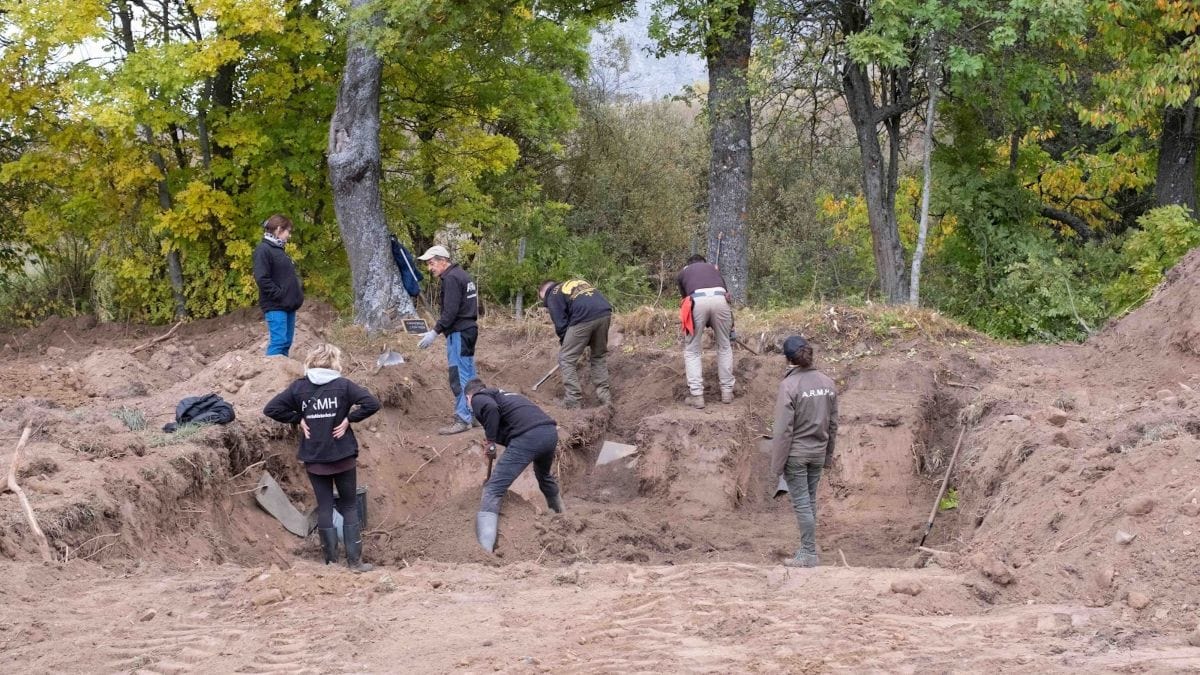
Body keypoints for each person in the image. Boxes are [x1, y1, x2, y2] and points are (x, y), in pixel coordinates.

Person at [263, 343, 381, 572]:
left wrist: (298, 419)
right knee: (348, 506)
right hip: (342, 454)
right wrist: (350, 419)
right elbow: (372, 403)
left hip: (315, 457)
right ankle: (355, 563)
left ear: (311, 361)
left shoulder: (299, 388)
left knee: (325, 506)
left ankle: (331, 563)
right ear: (334, 362)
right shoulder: (343, 386)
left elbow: (271, 409)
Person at [466, 378, 562, 553]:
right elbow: (509, 423)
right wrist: (493, 443)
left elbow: (490, 409)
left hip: (529, 436)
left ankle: (484, 550)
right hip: (549, 433)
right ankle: (561, 518)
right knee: (544, 476)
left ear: (468, 397)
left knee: (493, 488)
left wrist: (491, 441)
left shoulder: (478, 397)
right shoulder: (503, 395)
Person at [769, 335, 838, 568]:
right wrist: (827, 456)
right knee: (809, 501)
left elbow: (782, 430)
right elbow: (833, 423)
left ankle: (808, 553)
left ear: (788, 360)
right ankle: (807, 549)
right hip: (818, 453)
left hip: (797, 455)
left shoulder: (789, 386)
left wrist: (777, 466)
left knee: (802, 503)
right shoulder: (828, 383)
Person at [415, 245, 478, 435]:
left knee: (458, 375)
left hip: (459, 332)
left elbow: (450, 312)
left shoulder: (450, 278)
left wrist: (434, 332)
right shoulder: (462, 275)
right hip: (469, 329)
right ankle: (475, 414)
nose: (429, 268)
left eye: (432, 263)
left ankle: (463, 418)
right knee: (469, 374)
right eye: (428, 264)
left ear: (443, 261)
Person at [538, 279, 613, 408]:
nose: (546, 304)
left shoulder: (552, 294)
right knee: (598, 356)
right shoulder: (574, 284)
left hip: (583, 317)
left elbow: (561, 326)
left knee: (566, 359)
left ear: (544, 291)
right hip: (604, 313)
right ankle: (605, 399)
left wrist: (567, 346)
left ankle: (572, 402)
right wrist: (580, 344)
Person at [676, 254, 734, 408]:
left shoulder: (684, 272)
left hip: (696, 301)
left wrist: (703, 318)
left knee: (692, 350)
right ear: (703, 262)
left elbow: (685, 298)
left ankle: (697, 395)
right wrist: (729, 327)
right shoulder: (713, 269)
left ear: (689, 264)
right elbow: (726, 295)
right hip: (721, 300)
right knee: (724, 346)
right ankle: (727, 391)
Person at [252, 214, 304, 357]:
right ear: (279, 229)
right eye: (288, 231)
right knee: (278, 342)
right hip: (275, 305)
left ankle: (282, 377)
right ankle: (269, 375)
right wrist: (280, 295)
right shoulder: (263, 250)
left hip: (288, 305)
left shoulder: (278, 250)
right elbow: (262, 278)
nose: (289, 235)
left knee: (286, 343)